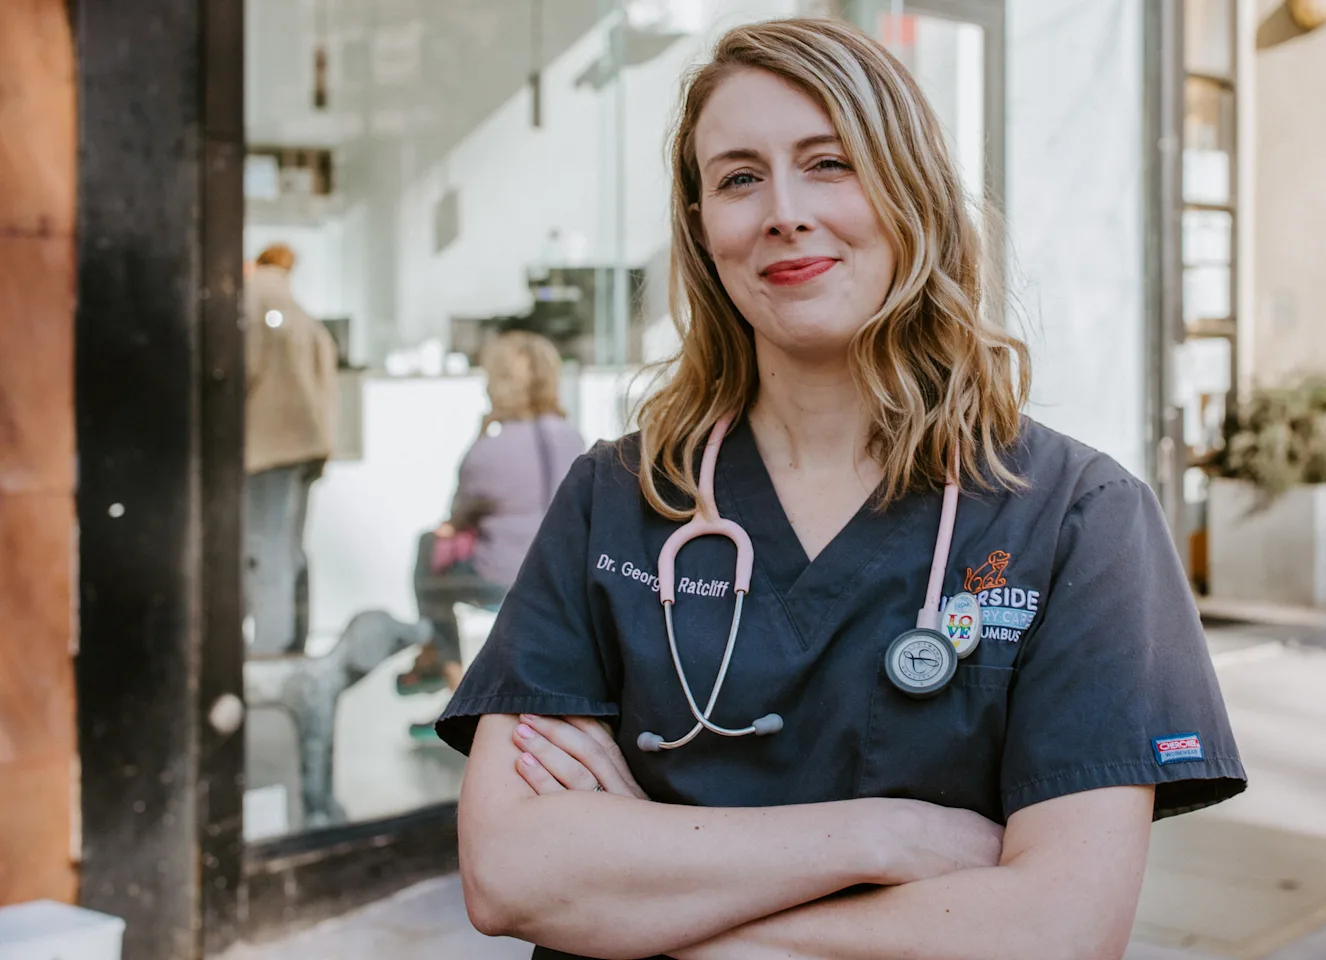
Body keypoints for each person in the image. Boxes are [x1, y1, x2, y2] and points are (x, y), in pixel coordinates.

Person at [435, 18, 1246, 960]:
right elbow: (507, 874)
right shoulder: (616, 498)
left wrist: (648, 904)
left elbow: (1057, 932)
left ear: (912, 192)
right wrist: (882, 838)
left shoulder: (1077, 518)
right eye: (738, 178)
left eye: (830, 163)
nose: (783, 210)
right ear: (702, 230)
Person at [398, 331, 585, 709]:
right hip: (559, 577)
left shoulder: (490, 451)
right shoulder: (573, 440)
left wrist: (481, 433)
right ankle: (436, 657)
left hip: (500, 578)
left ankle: (446, 669)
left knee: (427, 549)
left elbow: (457, 517)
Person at [245, 243, 338, 655]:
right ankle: (294, 642)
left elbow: (242, 366)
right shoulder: (299, 310)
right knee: (291, 548)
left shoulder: (254, 296)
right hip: (307, 447)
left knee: (265, 550)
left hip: (268, 447)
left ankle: (269, 651)